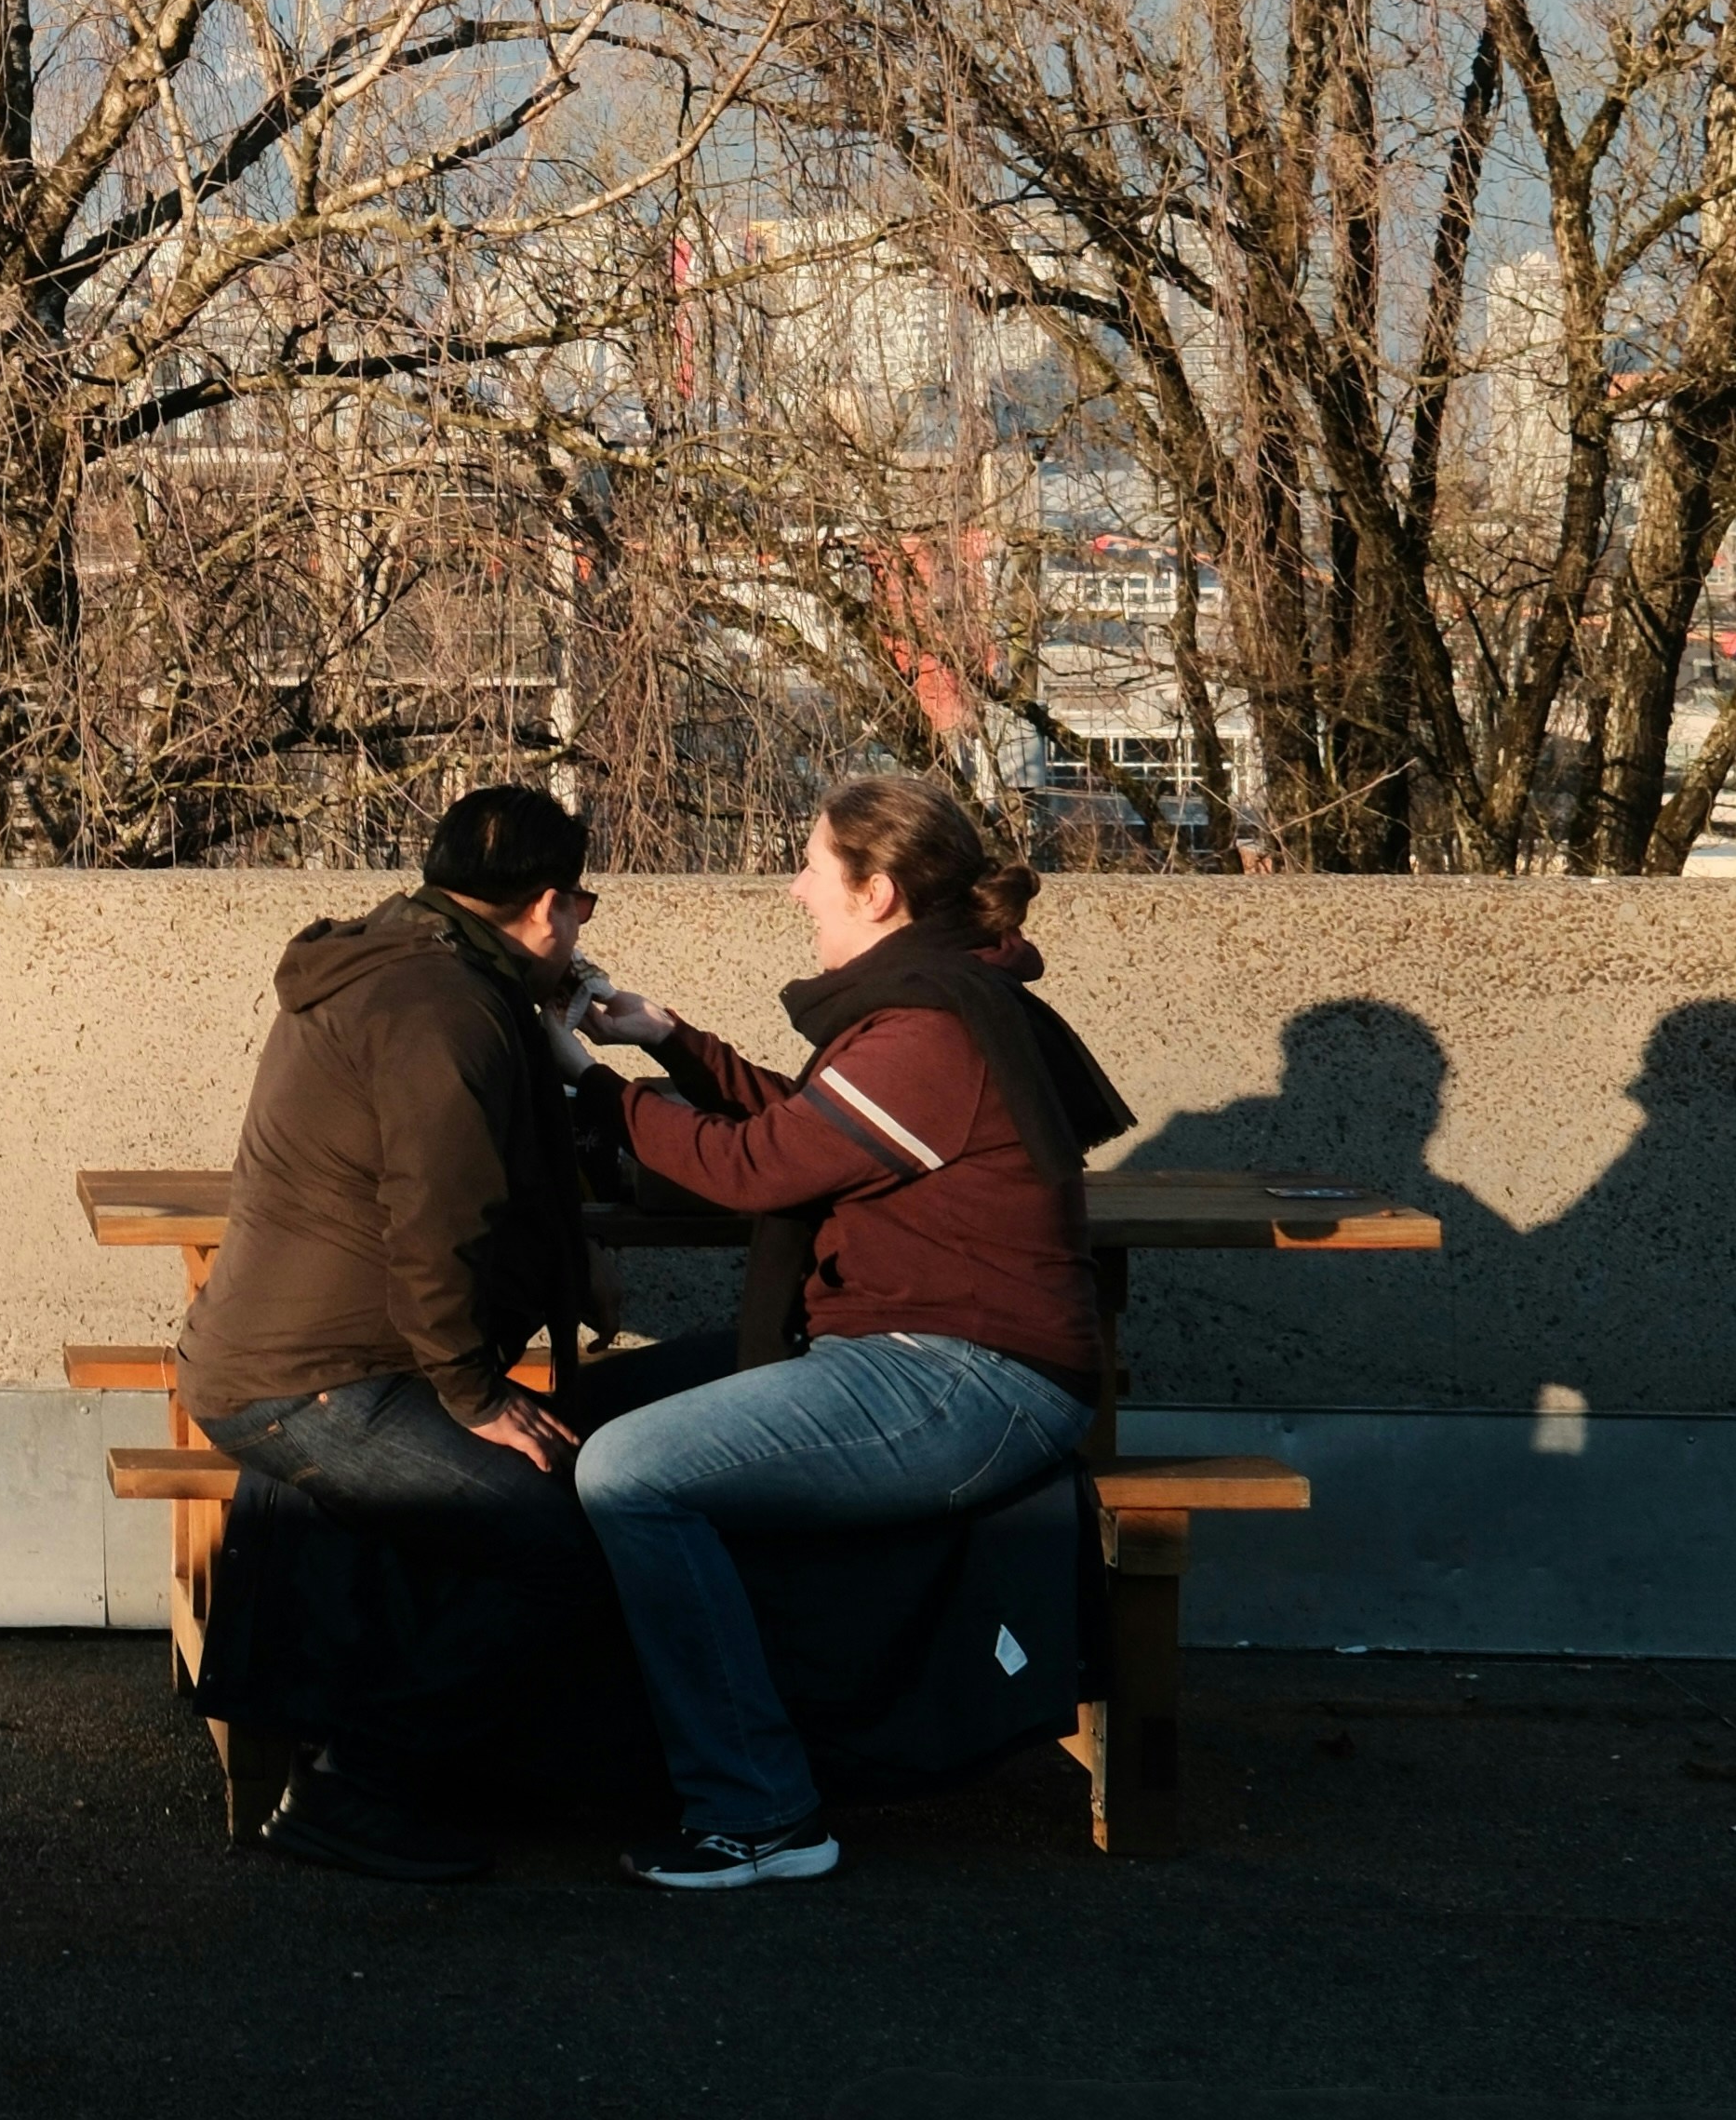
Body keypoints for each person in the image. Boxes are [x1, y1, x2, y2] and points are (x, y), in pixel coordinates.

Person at [571, 772, 1132, 1891]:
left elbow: (757, 1166)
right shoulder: (937, 1000)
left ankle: (762, 1812)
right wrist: (670, 1040)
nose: (796, 890)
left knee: (628, 1473)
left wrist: (590, 1084)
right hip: (923, 1359)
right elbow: (814, 1126)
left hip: (968, 1381)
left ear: (876, 891)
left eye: (814, 867)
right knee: (581, 1413)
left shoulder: (929, 1028)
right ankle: (583, 1747)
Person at [181, 780, 608, 1883]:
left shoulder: (394, 964)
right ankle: (361, 1792)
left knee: (537, 1505)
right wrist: (475, 1396)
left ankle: (384, 1762)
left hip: (287, 1358)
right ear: (546, 906)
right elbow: (439, 1229)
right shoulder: (448, 1011)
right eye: (583, 909)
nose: (580, 932)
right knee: (562, 1537)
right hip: (314, 1382)